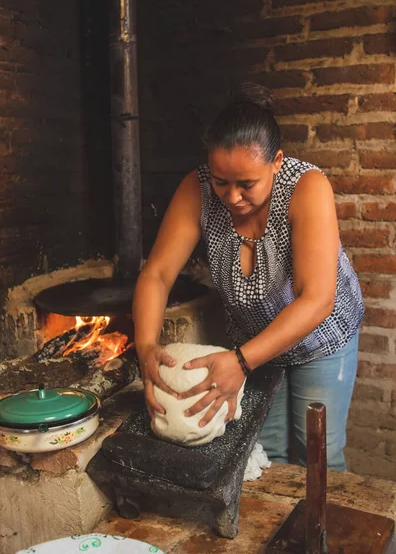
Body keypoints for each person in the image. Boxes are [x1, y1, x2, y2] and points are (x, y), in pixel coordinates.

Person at [132, 83, 364, 472]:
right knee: (261, 452)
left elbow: (317, 298)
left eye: (247, 184)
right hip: (252, 342)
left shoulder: (307, 188)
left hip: (321, 338)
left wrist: (240, 362)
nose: (232, 197)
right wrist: (145, 348)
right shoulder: (199, 188)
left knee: (317, 452)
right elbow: (156, 274)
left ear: (276, 161)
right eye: (222, 181)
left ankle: (319, 532)